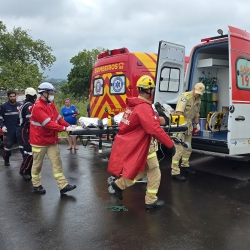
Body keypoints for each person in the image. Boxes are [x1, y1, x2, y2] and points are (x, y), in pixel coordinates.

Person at [108, 75, 175, 209]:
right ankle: (150, 201)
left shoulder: (133, 105)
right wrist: (170, 144)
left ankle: (119, 185)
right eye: (152, 89)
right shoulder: (143, 107)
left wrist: (158, 118)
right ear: (148, 90)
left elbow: (146, 121)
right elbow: (153, 128)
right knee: (154, 170)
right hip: (144, 146)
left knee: (143, 170)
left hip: (138, 144)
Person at [29, 82, 77, 194]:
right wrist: (64, 129)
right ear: (44, 93)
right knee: (37, 165)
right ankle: (36, 184)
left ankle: (63, 185)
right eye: (50, 93)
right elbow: (48, 124)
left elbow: (58, 118)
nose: (52, 95)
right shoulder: (38, 107)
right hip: (39, 141)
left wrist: (68, 126)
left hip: (51, 140)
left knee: (57, 163)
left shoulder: (50, 104)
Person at [171, 82, 205, 181]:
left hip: (188, 125)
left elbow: (197, 113)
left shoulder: (198, 100)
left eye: (199, 93)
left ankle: (185, 166)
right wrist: (180, 127)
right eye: (197, 92)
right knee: (179, 150)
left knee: (188, 147)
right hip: (180, 124)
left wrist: (197, 124)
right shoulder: (185, 97)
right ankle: (175, 172)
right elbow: (179, 112)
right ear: (193, 89)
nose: (197, 94)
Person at [16, 87, 37, 181]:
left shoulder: (25, 104)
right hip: (25, 131)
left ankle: (27, 170)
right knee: (29, 151)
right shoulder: (29, 105)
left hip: (22, 130)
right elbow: (31, 120)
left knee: (26, 152)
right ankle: (24, 171)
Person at [0, 90, 22, 166]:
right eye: (11, 96)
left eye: (14, 96)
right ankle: (6, 159)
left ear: (16, 96)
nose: (12, 98)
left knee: (22, 146)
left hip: (18, 129)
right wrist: (2, 126)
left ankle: (24, 161)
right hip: (8, 130)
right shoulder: (4, 106)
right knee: (8, 147)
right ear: (8, 97)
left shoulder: (20, 105)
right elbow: (0, 118)